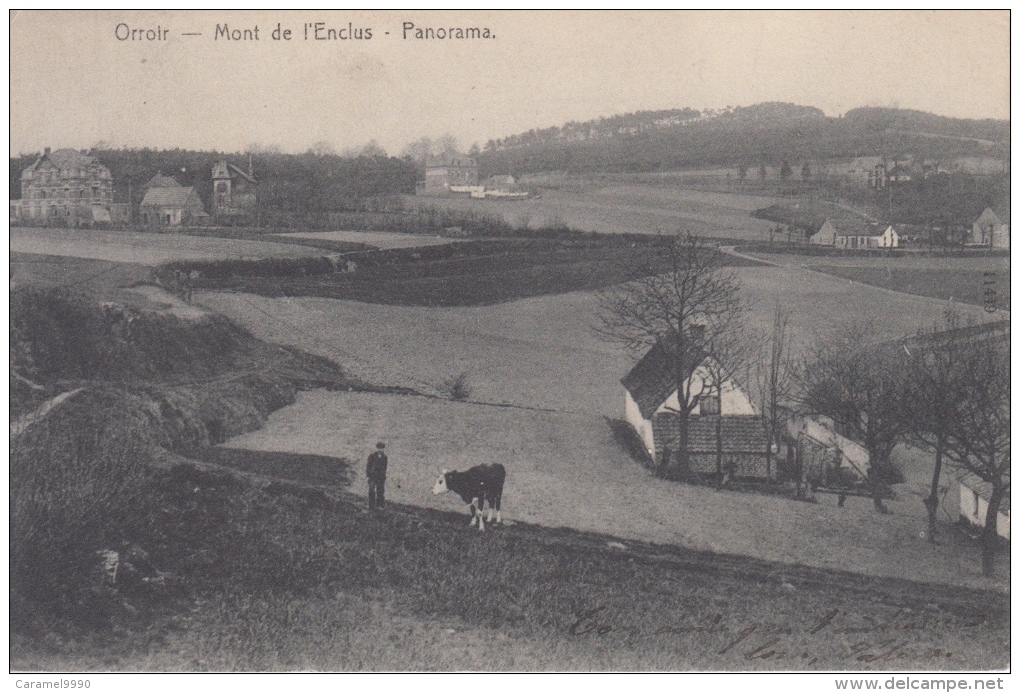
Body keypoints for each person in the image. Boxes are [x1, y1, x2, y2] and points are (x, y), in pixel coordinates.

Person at [366, 441, 388, 510]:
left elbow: (385, 467)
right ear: (376, 448)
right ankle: (371, 506)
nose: (380, 450)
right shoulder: (372, 456)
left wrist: (384, 476)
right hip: (373, 476)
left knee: (380, 491)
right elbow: (368, 466)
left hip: (381, 476)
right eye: (379, 448)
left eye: (382, 448)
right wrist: (368, 475)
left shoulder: (385, 457)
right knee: (371, 491)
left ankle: (380, 506)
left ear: (383, 449)